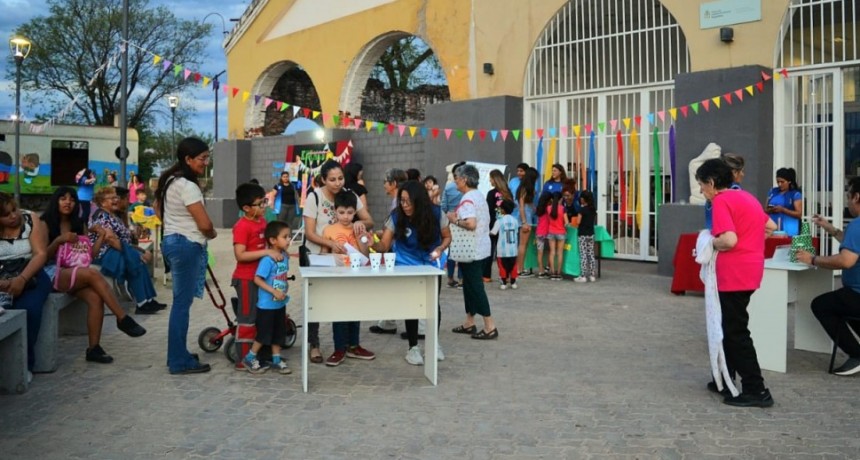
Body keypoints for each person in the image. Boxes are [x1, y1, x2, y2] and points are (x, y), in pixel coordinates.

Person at [696, 158, 776, 407]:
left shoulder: (721, 201)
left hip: (733, 275)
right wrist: (750, 241)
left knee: (735, 332)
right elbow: (770, 226)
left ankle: (756, 389)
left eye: (701, 185)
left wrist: (709, 242)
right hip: (750, 271)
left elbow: (728, 240)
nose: (701, 191)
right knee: (729, 327)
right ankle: (724, 377)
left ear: (711, 182)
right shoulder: (747, 197)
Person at [41, 187, 147, 364]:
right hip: (51, 271)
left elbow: (89, 255)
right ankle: (122, 318)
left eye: (72, 199)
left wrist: (100, 236)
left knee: (95, 298)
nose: (68, 202)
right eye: (63, 199)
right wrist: (59, 240)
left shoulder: (78, 223)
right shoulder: (45, 223)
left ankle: (94, 349)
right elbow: (42, 255)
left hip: (74, 271)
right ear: (55, 201)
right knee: (92, 273)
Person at [155, 137, 218, 375]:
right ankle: (178, 360)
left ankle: (178, 353)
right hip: (186, 244)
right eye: (202, 158)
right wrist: (211, 233)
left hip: (172, 241)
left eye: (206, 157)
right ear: (188, 159)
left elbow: (160, 211)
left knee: (180, 303)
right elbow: (204, 223)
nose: (206, 162)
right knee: (181, 305)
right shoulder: (188, 186)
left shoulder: (169, 181)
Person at [303, 159, 374, 364]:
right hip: (320, 257)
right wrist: (329, 244)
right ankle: (314, 344)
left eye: (340, 178)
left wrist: (360, 222)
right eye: (332, 179)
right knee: (315, 301)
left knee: (349, 300)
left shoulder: (350, 195)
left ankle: (351, 345)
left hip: (349, 260)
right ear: (323, 179)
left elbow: (369, 220)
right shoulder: (314, 197)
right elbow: (309, 232)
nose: (337, 183)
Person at [372, 180, 451, 364]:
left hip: (431, 263)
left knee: (433, 303)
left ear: (419, 200)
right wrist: (371, 243)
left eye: (408, 201)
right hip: (406, 263)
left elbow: (447, 237)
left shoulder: (436, 213)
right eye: (402, 200)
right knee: (412, 304)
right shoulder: (396, 216)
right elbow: (383, 245)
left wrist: (440, 248)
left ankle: (434, 343)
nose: (404, 205)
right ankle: (413, 347)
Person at [795, 179, 860, 376]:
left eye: (848, 195)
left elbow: (846, 261)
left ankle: (856, 355)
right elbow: (852, 241)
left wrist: (812, 259)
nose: (847, 201)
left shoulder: (857, 225)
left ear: (857, 197)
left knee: (822, 304)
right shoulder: (855, 228)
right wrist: (828, 227)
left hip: (857, 294)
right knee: (841, 302)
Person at [231, 182, 285, 370]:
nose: (264, 207)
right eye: (260, 204)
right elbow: (240, 255)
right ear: (246, 208)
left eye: (264, 202)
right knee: (248, 318)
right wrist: (266, 253)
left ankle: (262, 354)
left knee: (263, 318)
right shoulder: (242, 226)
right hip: (246, 279)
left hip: (263, 279)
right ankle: (244, 359)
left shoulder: (262, 221)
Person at [320, 190, 375, 366]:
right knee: (340, 313)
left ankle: (354, 345)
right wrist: (331, 255)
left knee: (355, 311)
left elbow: (365, 256)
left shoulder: (359, 228)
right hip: (338, 278)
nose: (345, 217)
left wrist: (362, 239)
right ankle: (339, 348)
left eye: (350, 212)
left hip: (356, 276)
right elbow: (322, 256)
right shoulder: (328, 230)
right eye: (341, 212)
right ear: (335, 211)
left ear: (355, 212)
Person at [88, 186, 164, 315]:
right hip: (106, 253)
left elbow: (122, 240)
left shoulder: (112, 215)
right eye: (112, 198)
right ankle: (141, 303)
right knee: (135, 262)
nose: (115, 200)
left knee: (140, 259)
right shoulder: (102, 216)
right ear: (102, 202)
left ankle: (149, 300)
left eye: (116, 197)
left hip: (118, 249)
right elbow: (110, 240)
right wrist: (133, 253)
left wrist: (138, 250)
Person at [0, 192, 51, 372]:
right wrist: (3, 283)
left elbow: (40, 254)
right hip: (2, 277)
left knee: (29, 310)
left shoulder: (30, 218)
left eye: (14, 209)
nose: (13, 216)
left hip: (32, 273)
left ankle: (24, 365)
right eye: (5, 215)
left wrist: (21, 279)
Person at [447, 164, 497, 340]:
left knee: (475, 287)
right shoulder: (479, 196)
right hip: (482, 248)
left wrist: (454, 220)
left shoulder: (468, 198)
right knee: (469, 286)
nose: (455, 182)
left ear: (465, 180)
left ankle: (489, 325)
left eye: (457, 179)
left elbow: (470, 223)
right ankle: (469, 321)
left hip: (471, 250)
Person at [241, 220, 293, 375]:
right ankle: (250, 357)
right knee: (264, 334)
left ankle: (276, 359)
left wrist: (284, 288)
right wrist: (273, 291)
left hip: (279, 303)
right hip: (266, 305)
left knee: (279, 332)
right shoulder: (267, 259)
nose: (289, 239)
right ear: (272, 240)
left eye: (289, 236)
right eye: (285, 236)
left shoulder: (284, 256)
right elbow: (257, 279)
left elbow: (282, 276)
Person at [368, 168, 408, 335]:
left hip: (402, 250)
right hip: (396, 246)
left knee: (400, 287)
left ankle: (414, 326)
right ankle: (388, 321)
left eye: (385, 182)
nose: (384, 185)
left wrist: (384, 235)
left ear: (394, 183)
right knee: (392, 285)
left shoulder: (400, 203)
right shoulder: (397, 201)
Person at [484, 169, 513, 282]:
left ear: (495, 179)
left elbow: (488, 211)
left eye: (491, 178)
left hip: (493, 225)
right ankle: (507, 274)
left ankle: (486, 275)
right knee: (505, 251)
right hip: (506, 225)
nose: (490, 180)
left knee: (490, 251)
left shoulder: (491, 194)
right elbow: (511, 208)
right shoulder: (508, 193)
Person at [705, 153, 745, 229]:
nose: (743, 174)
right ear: (735, 173)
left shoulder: (712, 190)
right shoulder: (735, 191)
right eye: (742, 171)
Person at [441, 162, 465, 288]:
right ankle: (461, 279)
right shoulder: (467, 187)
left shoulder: (449, 187)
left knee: (451, 250)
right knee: (462, 249)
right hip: (463, 221)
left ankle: (450, 278)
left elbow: (443, 206)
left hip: (450, 221)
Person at [489, 199, 520, 290]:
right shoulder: (515, 221)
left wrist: (488, 232)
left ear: (502, 210)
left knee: (502, 266)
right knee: (513, 266)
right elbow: (516, 232)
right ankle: (513, 282)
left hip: (502, 250)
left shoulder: (499, 221)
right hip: (513, 249)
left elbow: (493, 232)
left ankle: (504, 282)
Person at [766, 167, 803, 236]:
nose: (780, 184)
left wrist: (783, 210)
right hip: (773, 228)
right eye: (778, 182)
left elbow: (799, 214)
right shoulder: (772, 191)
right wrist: (771, 210)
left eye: (782, 182)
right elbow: (765, 210)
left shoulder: (795, 194)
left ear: (789, 181)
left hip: (789, 229)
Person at [516, 167, 538, 277]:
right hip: (525, 218)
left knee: (523, 244)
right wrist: (524, 222)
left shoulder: (524, 188)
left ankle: (520, 268)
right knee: (522, 244)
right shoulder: (524, 188)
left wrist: (533, 207)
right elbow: (521, 206)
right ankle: (519, 269)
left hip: (527, 216)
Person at [573, 190, 598, 283]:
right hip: (591, 233)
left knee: (583, 254)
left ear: (584, 199)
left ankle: (583, 275)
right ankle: (592, 275)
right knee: (590, 253)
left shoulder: (581, 209)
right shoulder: (593, 209)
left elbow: (578, 222)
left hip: (582, 234)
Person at [544, 192, 566, 280]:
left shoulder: (548, 208)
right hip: (561, 232)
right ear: (561, 199)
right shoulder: (562, 209)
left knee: (552, 252)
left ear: (552, 200)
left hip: (551, 232)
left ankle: (552, 272)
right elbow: (566, 222)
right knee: (560, 253)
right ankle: (558, 272)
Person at [534, 192, 552, 279]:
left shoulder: (539, 209)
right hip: (548, 232)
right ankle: (549, 268)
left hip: (539, 232)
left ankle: (541, 271)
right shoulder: (549, 208)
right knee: (550, 251)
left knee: (540, 252)